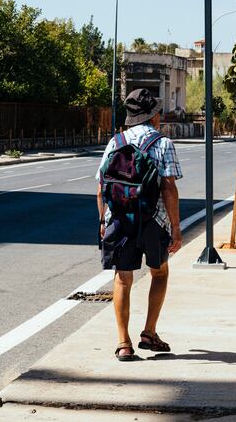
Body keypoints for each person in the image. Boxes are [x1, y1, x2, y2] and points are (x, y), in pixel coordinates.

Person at [96, 88, 183, 361]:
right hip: (153, 221)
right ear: (154, 116)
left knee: (123, 279)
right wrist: (176, 228)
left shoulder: (115, 142)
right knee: (159, 273)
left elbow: (101, 187)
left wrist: (103, 220)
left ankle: (124, 343)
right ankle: (149, 332)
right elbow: (169, 189)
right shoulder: (163, 144)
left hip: (120, 221)